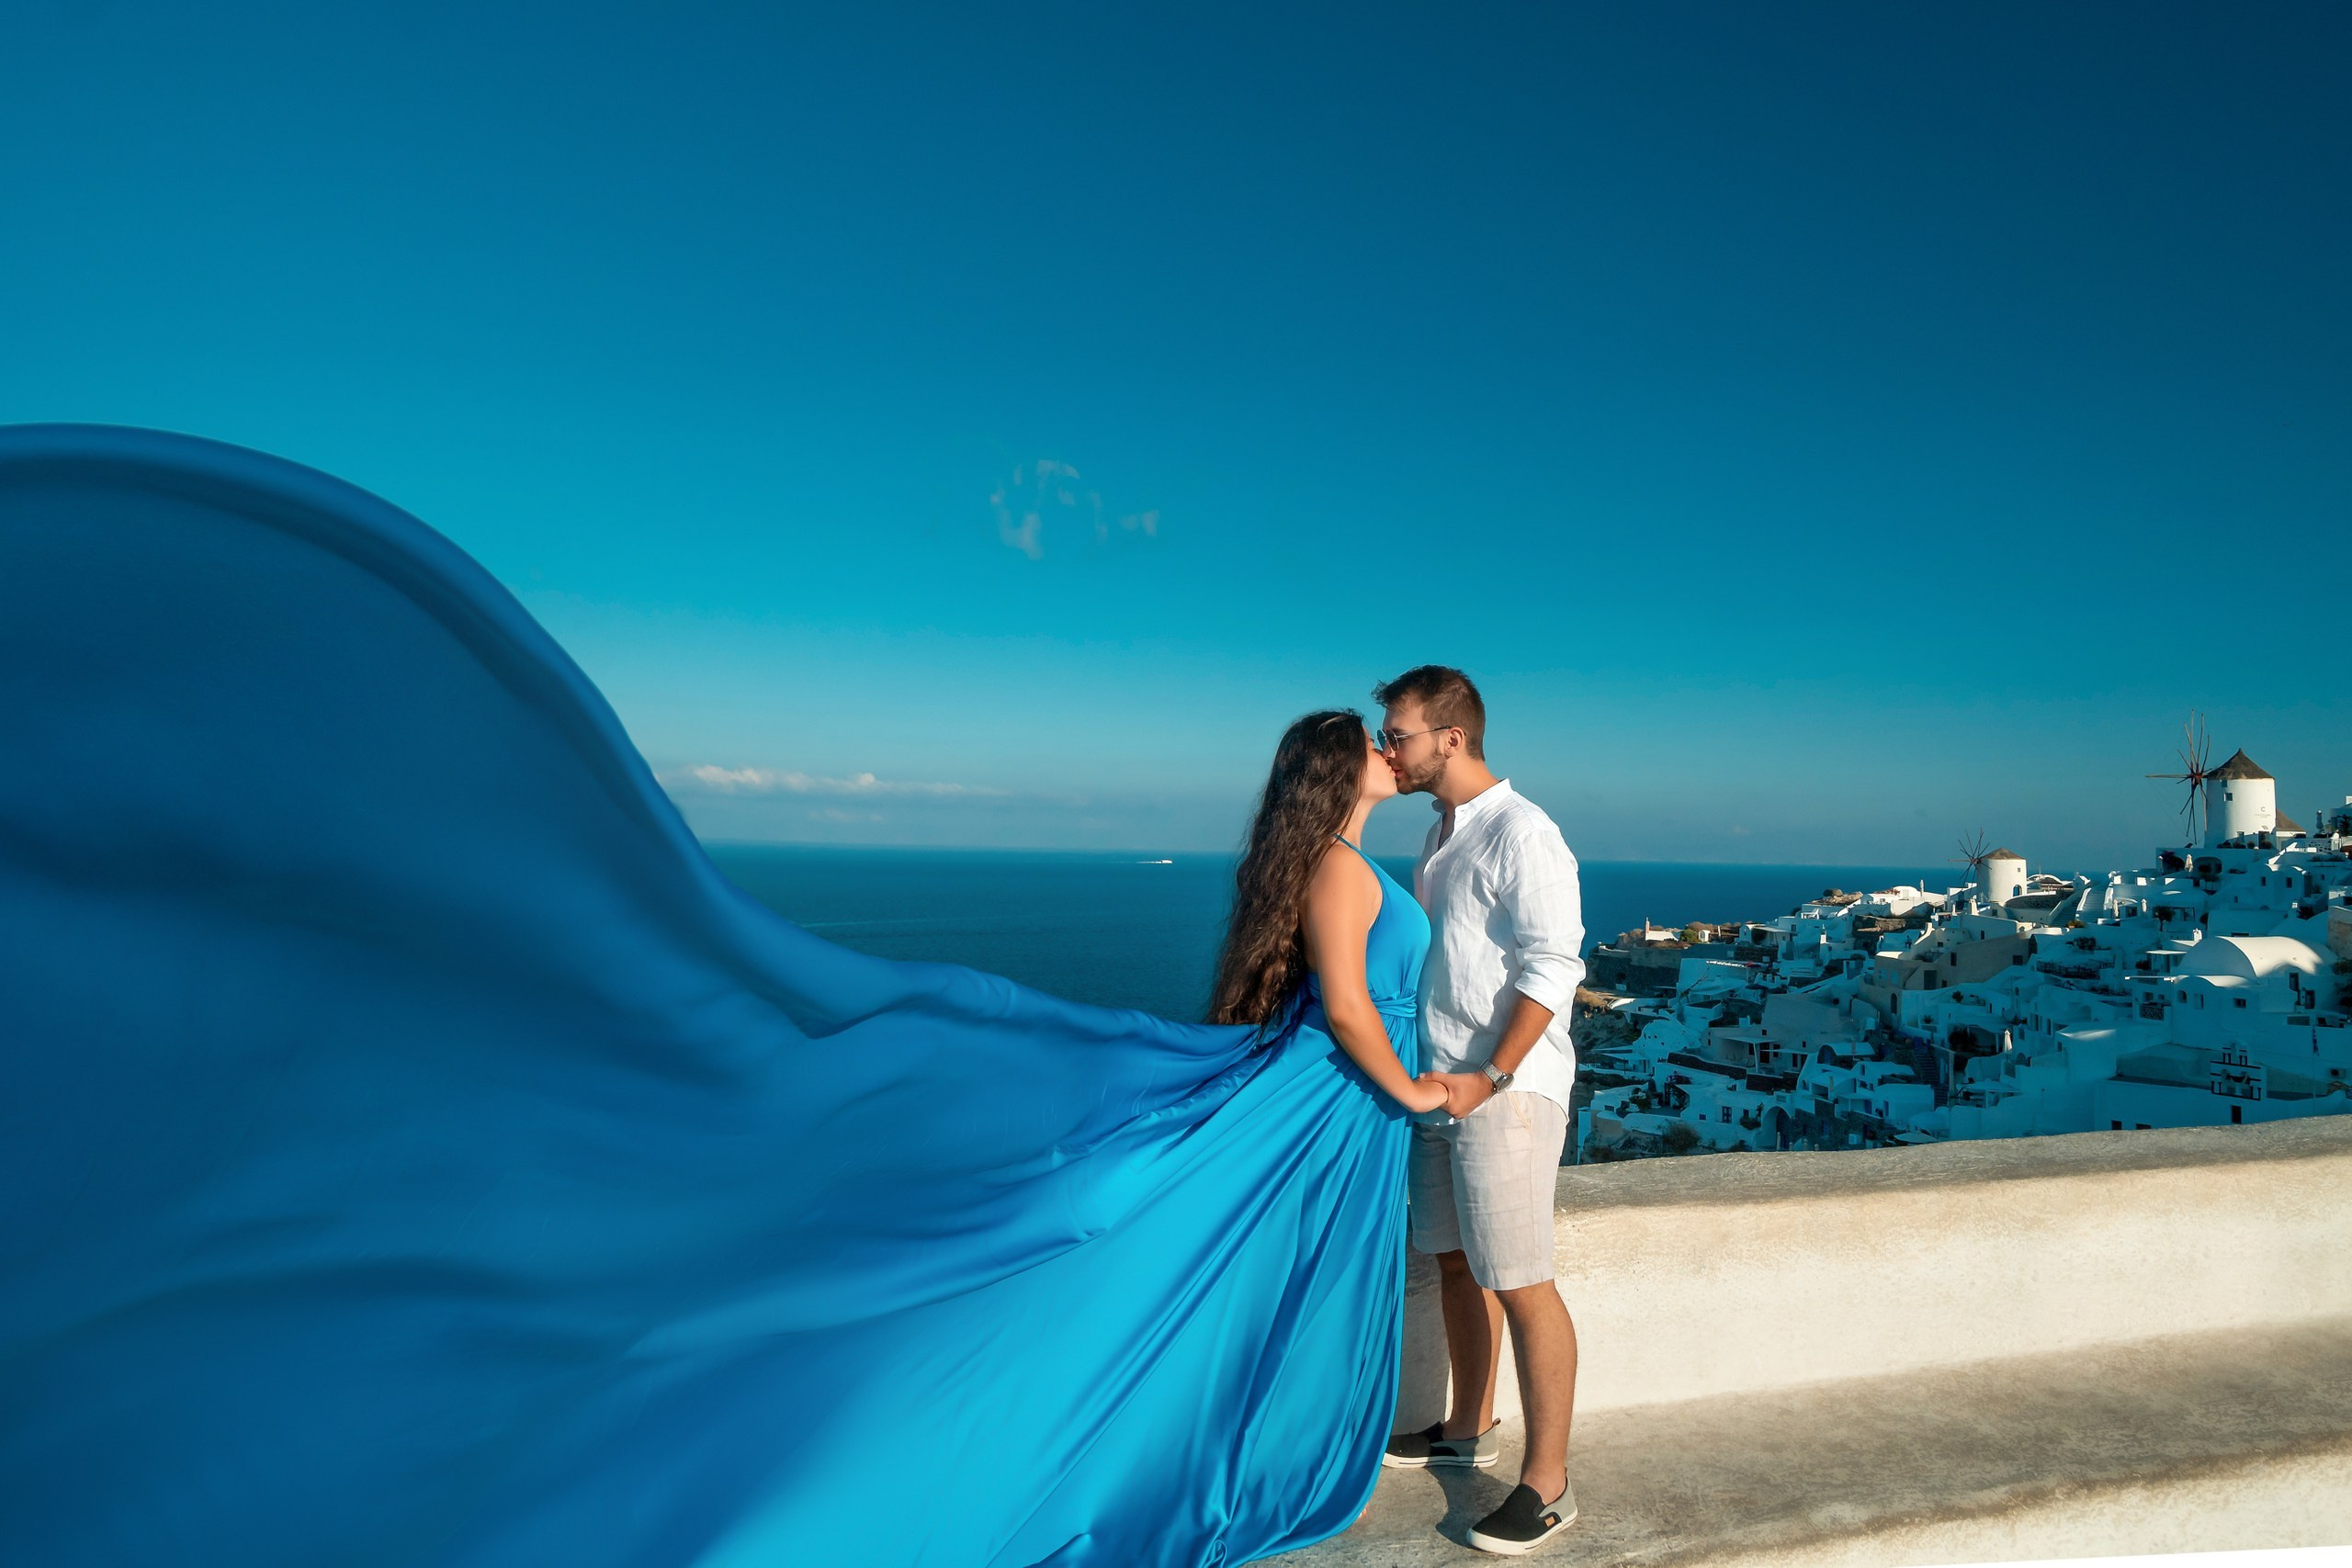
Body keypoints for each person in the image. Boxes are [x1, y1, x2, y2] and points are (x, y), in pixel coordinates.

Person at [0, 424, 1433, 1568]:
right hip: (1341, 1094)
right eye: (1372, 744)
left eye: (1393, 739)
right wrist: (1426, 1085)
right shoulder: (1344, 872)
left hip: (1322, 1101)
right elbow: (1356, 1015)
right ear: (1339, 772)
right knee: (1159, 1255)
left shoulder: (1352, 858)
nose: (1387, 751)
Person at [1374, 665, 1585, 1556]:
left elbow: (1554, 965)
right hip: (1443, 1087)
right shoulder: (1440, 836)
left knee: (1520, 1280)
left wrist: (1491, 1076)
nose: (1389, 749)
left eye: (1399, 734)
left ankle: (1549, 1482)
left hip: (1504, 1091)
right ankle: (1468, 1427)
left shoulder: (1522, 832)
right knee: (1456, 1264)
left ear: (1449, 736)